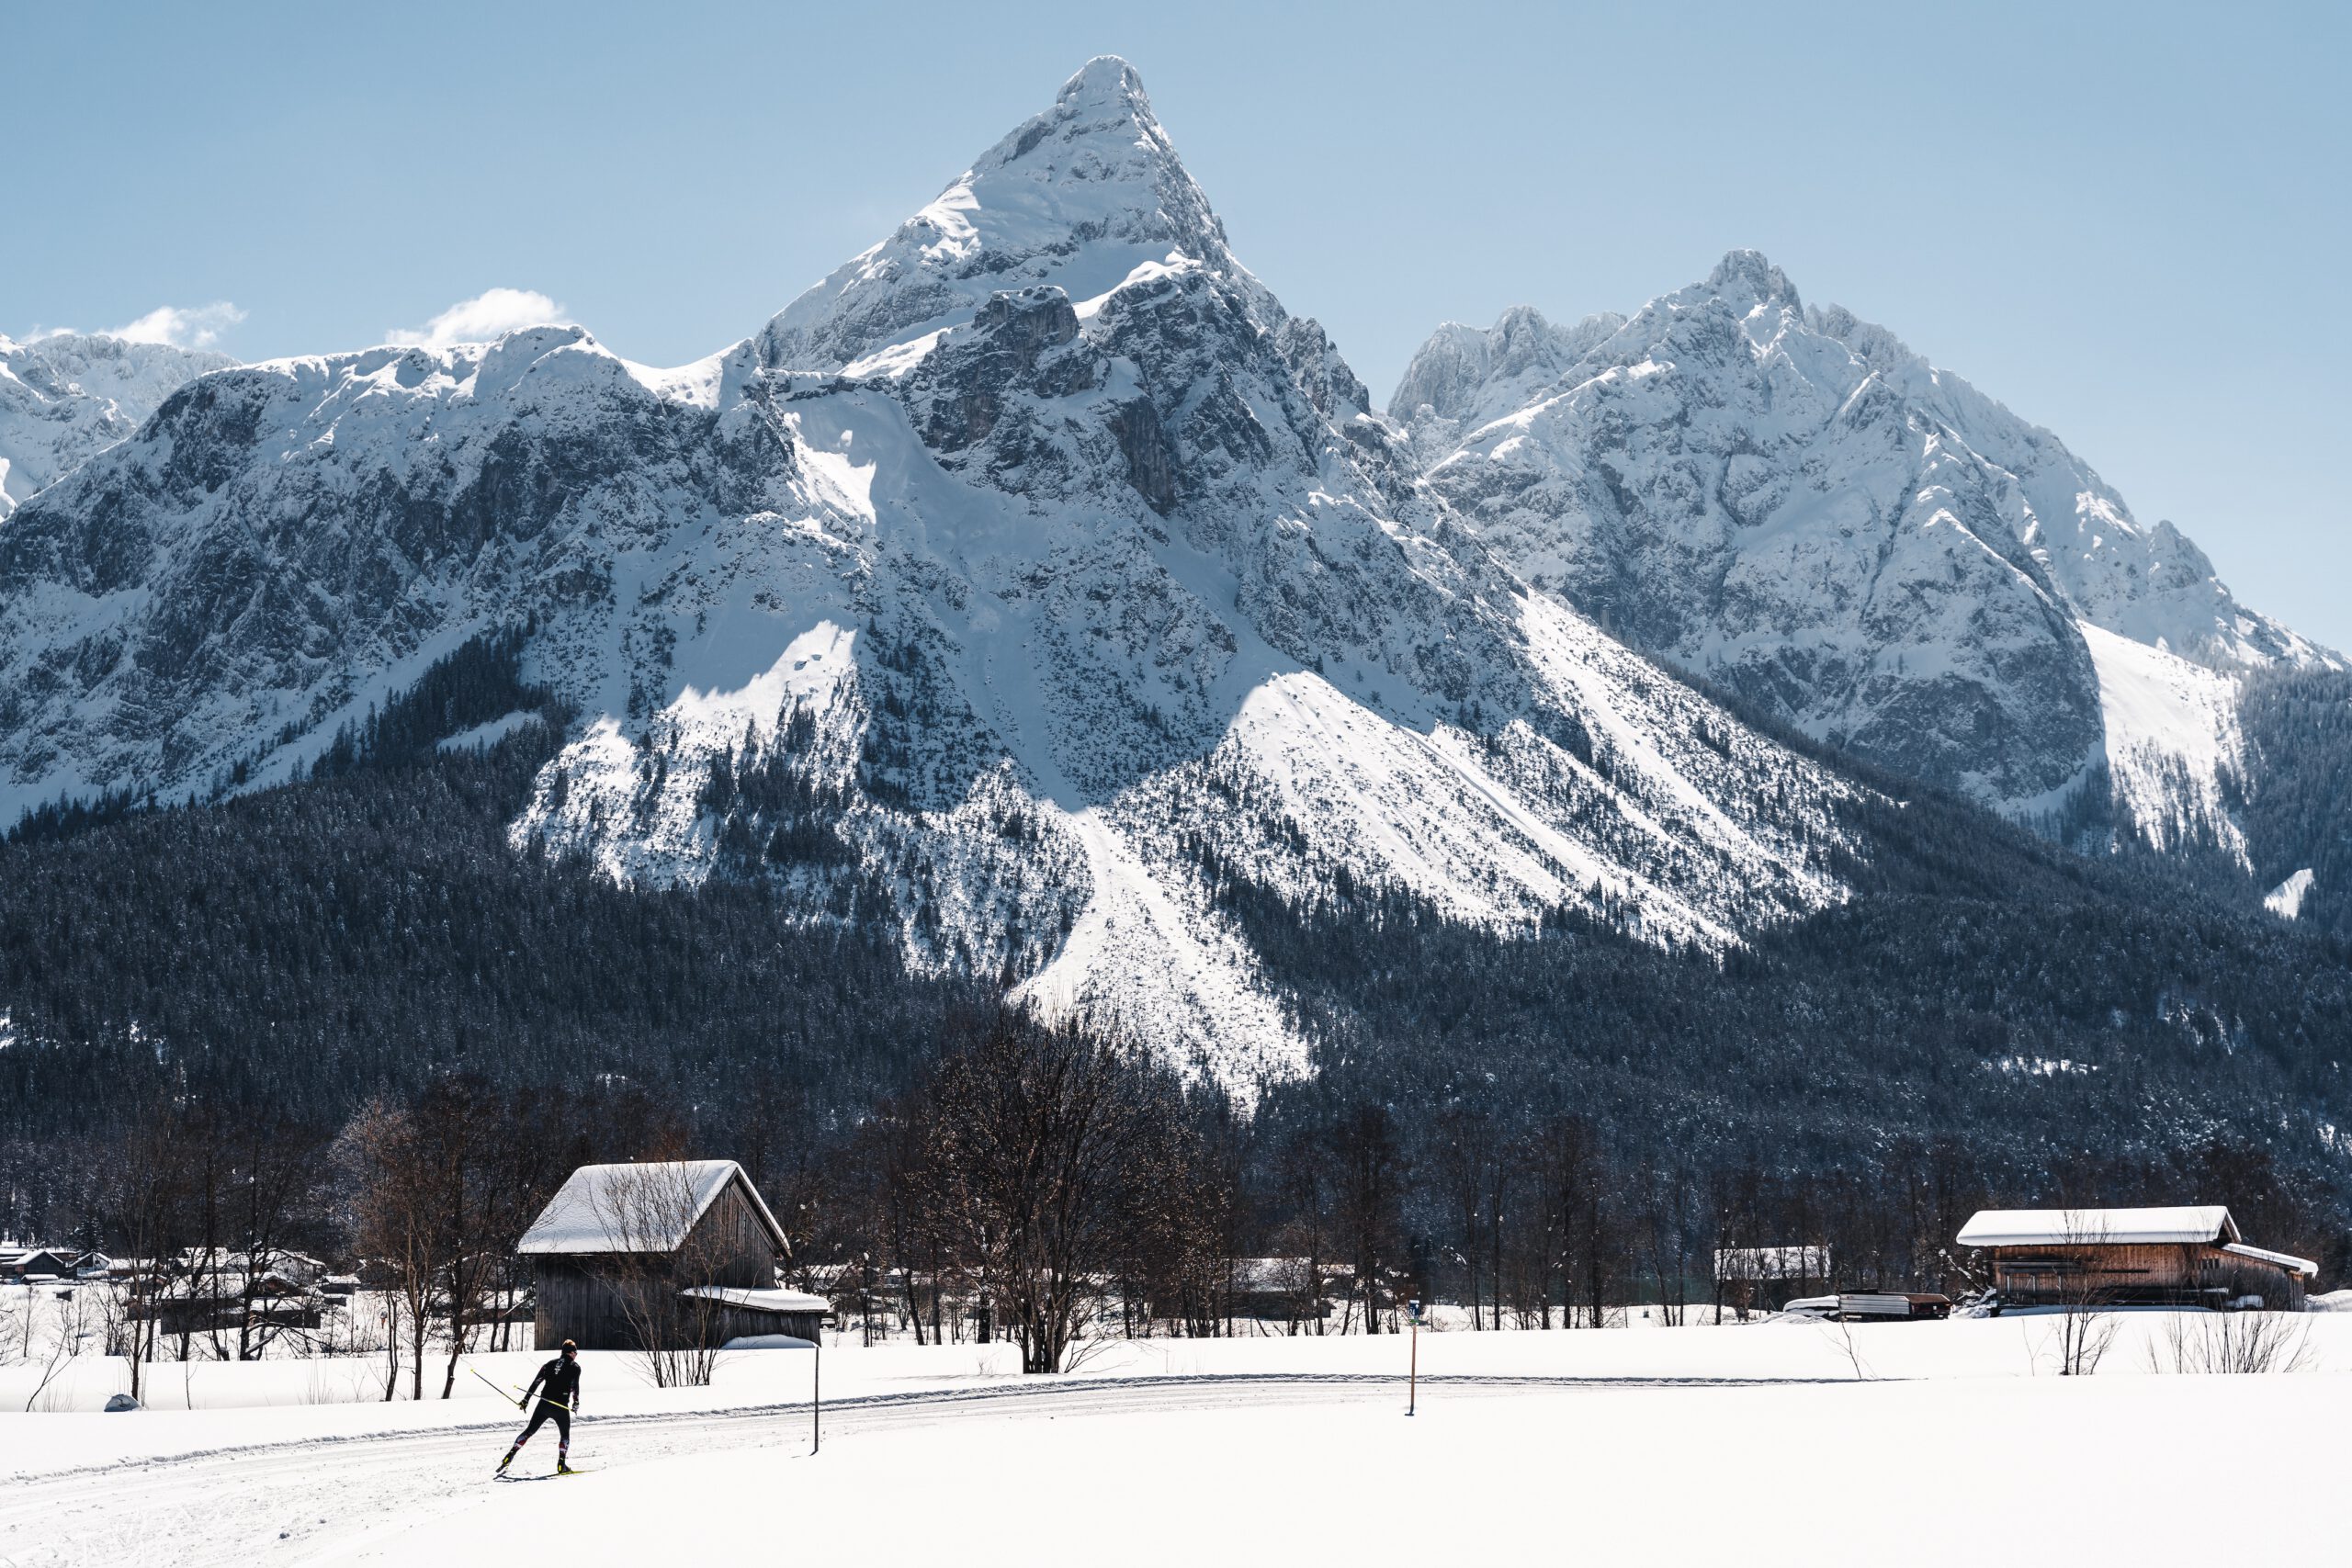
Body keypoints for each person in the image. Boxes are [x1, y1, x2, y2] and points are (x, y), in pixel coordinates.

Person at [498, 1340, 583, 1474]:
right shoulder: (575, 1367)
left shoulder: (549, 1364)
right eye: (575, 1353)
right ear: (571, 1353)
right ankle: (561, 1464)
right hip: (560, 1405)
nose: (576, 1355)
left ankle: (510, 1455)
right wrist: (576, 1402)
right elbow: (574, 1386)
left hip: (544, 1403)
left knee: (529, 1431)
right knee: (565, 1435)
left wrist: (526, 1400)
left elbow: (536, 1382)